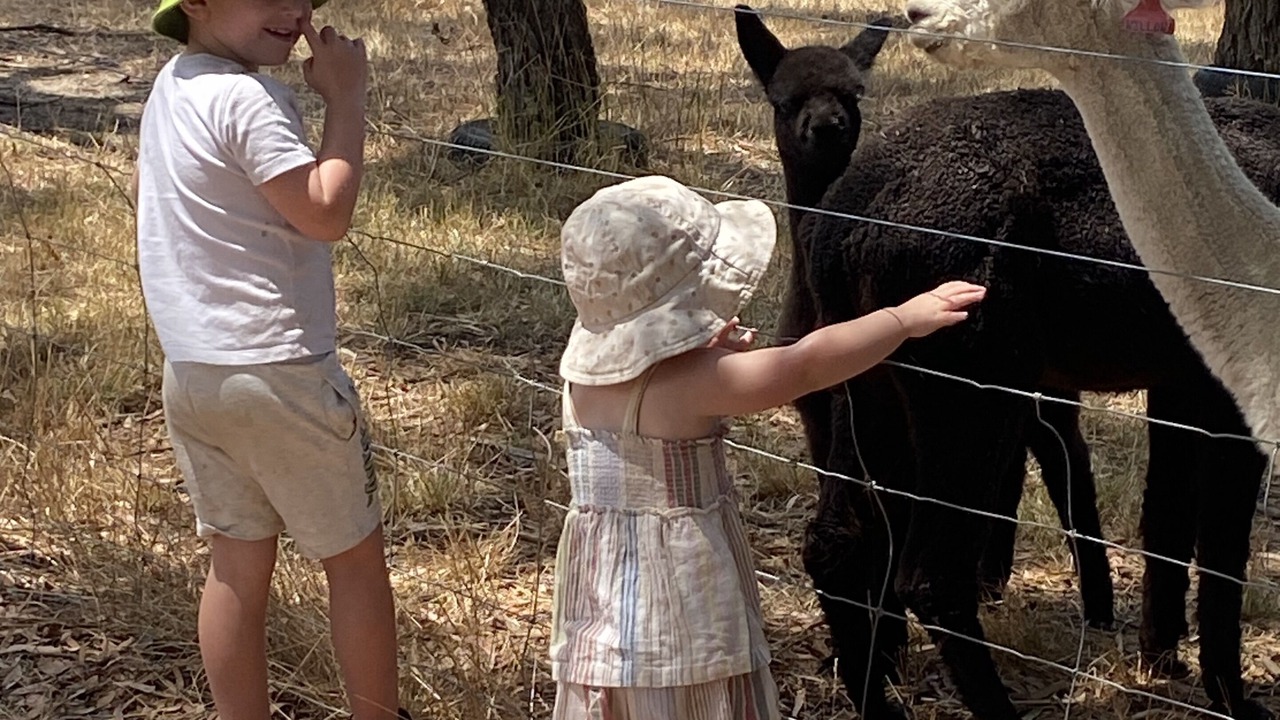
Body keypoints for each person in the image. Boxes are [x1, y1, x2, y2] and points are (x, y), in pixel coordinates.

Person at [550, 174, 986, 719]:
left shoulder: (582, 381)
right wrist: (901, 319)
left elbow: (655, 372)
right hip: (683, 624)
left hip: (602, 620)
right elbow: (804, 363)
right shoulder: (699, 383)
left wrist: (697, 344)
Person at [134, 1, 406, 718]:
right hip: (280, 371)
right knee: (353, 563)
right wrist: (348, 99)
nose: (296, 10)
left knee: (235, 566)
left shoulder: (175, 84)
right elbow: (325, 211)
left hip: (194, 372)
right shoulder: (246, 96)